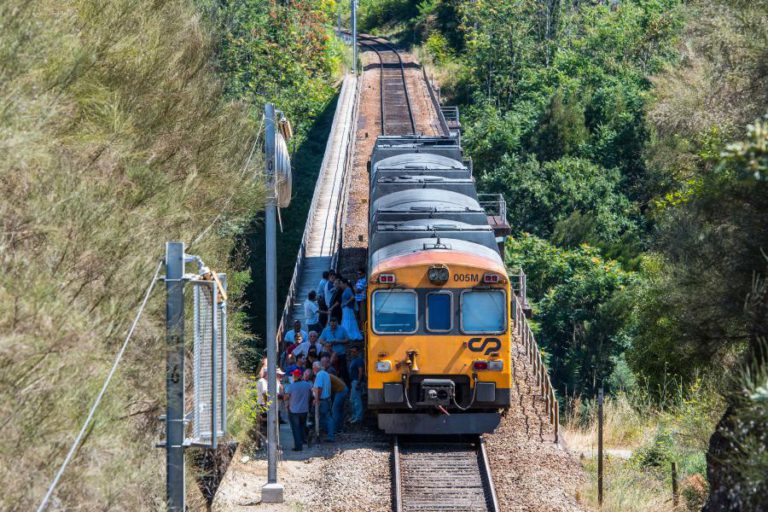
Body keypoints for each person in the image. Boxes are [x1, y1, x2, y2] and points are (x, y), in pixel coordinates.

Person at [285, 369, 313, 451]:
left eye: (294, 375)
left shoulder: (291, 386)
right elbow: (311, 394)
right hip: (304, 410)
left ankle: (298, 446)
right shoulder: (307, 385)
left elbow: (286, 397)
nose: (293, 377)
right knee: (302, 427)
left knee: (295, 429)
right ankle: (303, 441)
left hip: (294, 411)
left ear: (295, 377)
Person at [319, 317, 350, 383]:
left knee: (343, 370)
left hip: (341, 353)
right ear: (329, 324)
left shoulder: (342, 329)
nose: (333, 326)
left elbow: (347, 340)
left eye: (334, 325)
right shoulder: (326, 330)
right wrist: (326, 343)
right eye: (331, 325)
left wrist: (338, 341)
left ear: (337, 323)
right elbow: (320, 340)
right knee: (330, 370)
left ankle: (347, 386)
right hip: (330, 354)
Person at [312, 361, 334, 442]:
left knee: (325, 418)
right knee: (328, 417)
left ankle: (327, 435)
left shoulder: (319, 374)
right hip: (327, 398)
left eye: (313, 367)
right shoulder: (326, 373)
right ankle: (329, 434)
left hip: (323, 400)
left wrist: (316, 399)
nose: (312, 369)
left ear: (316, 367)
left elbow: (319, 388)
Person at [348, 346, 365, 424]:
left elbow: (360, 371)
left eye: (354, 352)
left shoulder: (359, 360)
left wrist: (358, 382)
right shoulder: (354, 360)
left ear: (358, 352)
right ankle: (354, 415)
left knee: (357, 400)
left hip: (356, 381)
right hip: (353, 381)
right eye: (352, 352)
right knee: (352, 400)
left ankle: (358, 417)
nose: (352, 353)